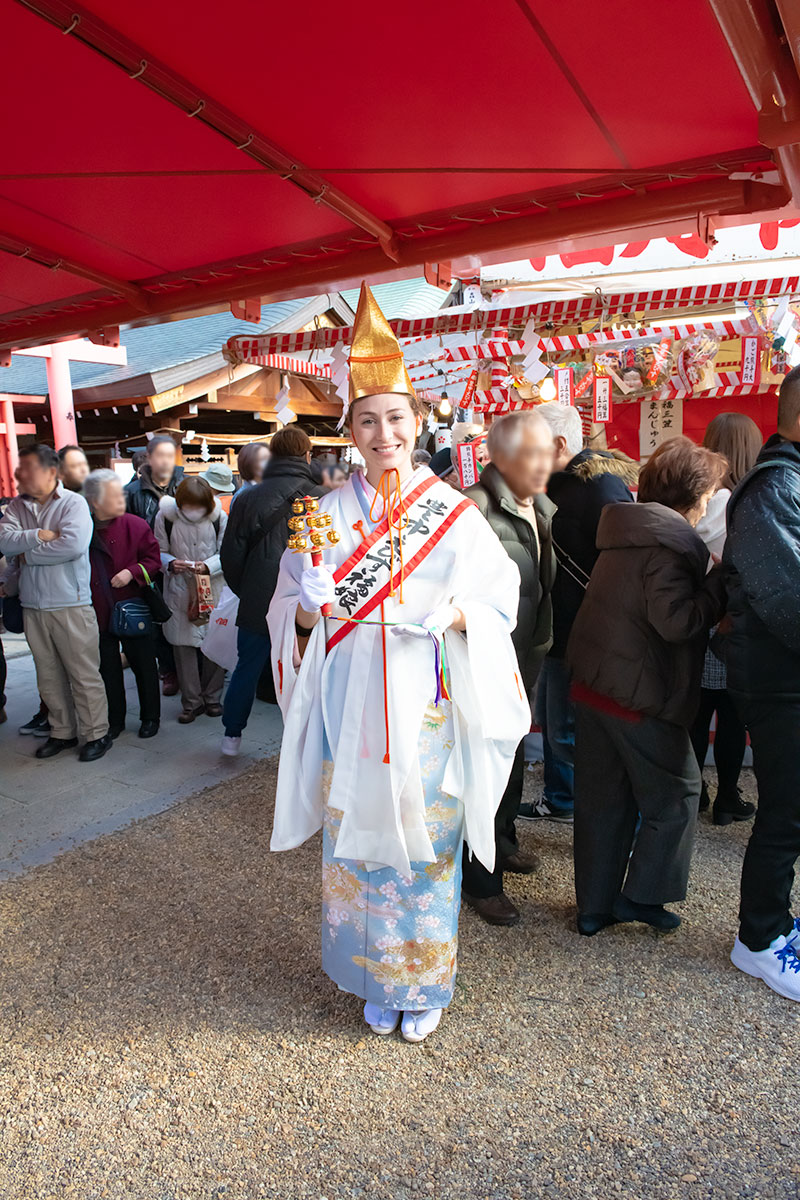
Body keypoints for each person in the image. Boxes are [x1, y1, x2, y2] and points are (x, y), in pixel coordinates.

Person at [268, 283, 529, 1043]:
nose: (384, 432)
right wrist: (309, 602)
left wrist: (453, 614)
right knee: (356, 843)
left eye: (396, 418)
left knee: (423, 841)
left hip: (427, 706)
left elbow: (499, 595)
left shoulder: (451, 512)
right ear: (350, 428)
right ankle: (369, 976)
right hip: (351, 703)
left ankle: (424, 978)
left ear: (419, 423)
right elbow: (291, 612)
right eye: (367, 420)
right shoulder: (328, 513)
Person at [567, 436, 726, 936]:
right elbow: (676, 622)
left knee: (602, 800)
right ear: (695, 497)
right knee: (677, 793)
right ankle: (641, 895)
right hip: (636, 695)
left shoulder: (626, 529)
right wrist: (718, 585)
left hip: (594, 683)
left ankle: (594, 908)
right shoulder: (670, 545)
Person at [461, 411, 556, 925]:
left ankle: (503, 841)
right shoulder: (473, 509)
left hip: (527, 653)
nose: (544, 463)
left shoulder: (540, 507)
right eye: (531, 453)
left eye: (548, 451)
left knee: (513, 754)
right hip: (486, 660)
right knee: (485, 766)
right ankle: (481, 877)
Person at [521, 402, 637, 822]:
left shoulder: (601, 487)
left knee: (571, 729)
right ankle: (562, 798)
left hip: (584, 629)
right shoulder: (556, 482)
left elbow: (620, 563)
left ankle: (601, 816)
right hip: (560, 625)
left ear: (559, 443)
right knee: (555, 723)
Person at [725, 368, 800, 999]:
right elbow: (787, 596)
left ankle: (774, 927)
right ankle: (759, 939)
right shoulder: (773, 487)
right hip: (781, 681)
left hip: (788, 675)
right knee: (786, 811)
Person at [0, 444, 112, 761]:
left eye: (28, 467)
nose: (20, 474)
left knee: (83, 674)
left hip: (71, 604)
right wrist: (38, 535)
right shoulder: (18, 506)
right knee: (47, 675)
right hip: (33, 605)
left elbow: (72, 546)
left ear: (51, 472)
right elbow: (2, 540)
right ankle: (61, 731)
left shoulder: (73, 503)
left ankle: (97, 734)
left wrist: (25, 552)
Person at [219, 427, 325, 756]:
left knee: (247, 666)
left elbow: (230, 557)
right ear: (307, 455)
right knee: (311, 668)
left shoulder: (248, 496)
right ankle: (309, 740)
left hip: (258, 597)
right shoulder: (324, 494)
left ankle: (231, 737)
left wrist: (249, 589)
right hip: (309, 601)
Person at [688, 413, 761, 825]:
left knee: (699, 711)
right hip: (739, 618)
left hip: (706, 614)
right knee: (733, 714)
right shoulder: (757, 496)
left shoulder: (714, 499)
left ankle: (696, 791)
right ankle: (728, 797)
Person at [84, 469, 162, 739]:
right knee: (107, 668)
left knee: (144, 664)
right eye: (112, 494)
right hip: (96, 609)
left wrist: (133, 572)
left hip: (131, 605)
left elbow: (154, 560)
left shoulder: (136, 525)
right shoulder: (82, 528)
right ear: (94, 501)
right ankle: (114, 719)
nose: (120, 498)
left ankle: (150, 717)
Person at [154, 476, 227, 723]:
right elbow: (158, 551)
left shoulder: (219, 517)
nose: (194, 511)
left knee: (214, 642)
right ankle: (191, 702)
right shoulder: (165, 517)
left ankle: (213, 697)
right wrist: (171, 563)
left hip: (211, 587)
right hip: (180, 587)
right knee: (183, 647)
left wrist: (208, 566)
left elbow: (225, 552)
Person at [125, 434, 184, 695]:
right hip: (150, 566)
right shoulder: (131, 493)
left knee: (190, 618)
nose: (165, 461)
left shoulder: (187, 485)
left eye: (170, 455)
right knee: (159, 621)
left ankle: (193, 674)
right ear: (148, 458)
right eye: (159, 455)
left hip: (183, 561)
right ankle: (168, 669)